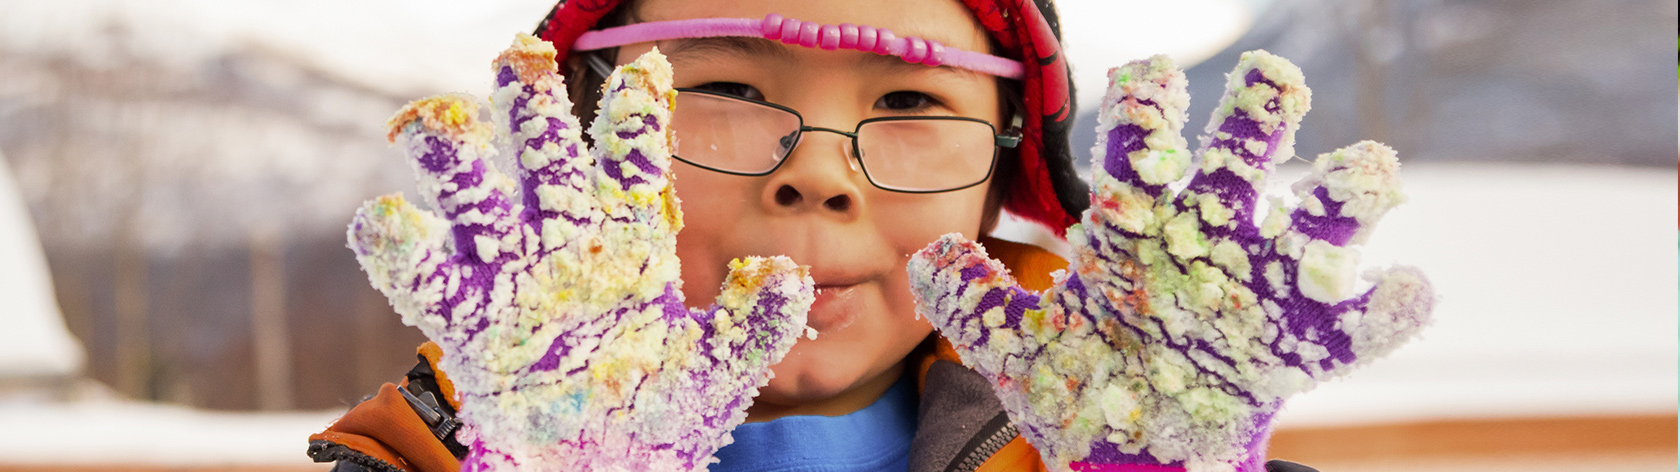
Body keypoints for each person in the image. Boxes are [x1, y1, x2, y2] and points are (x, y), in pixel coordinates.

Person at [307, 0, 1321, 471]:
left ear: (1003, 175)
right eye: (730, 90)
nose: (819, 174)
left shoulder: (1120, 450)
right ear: (579, 134)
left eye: (913, 99)